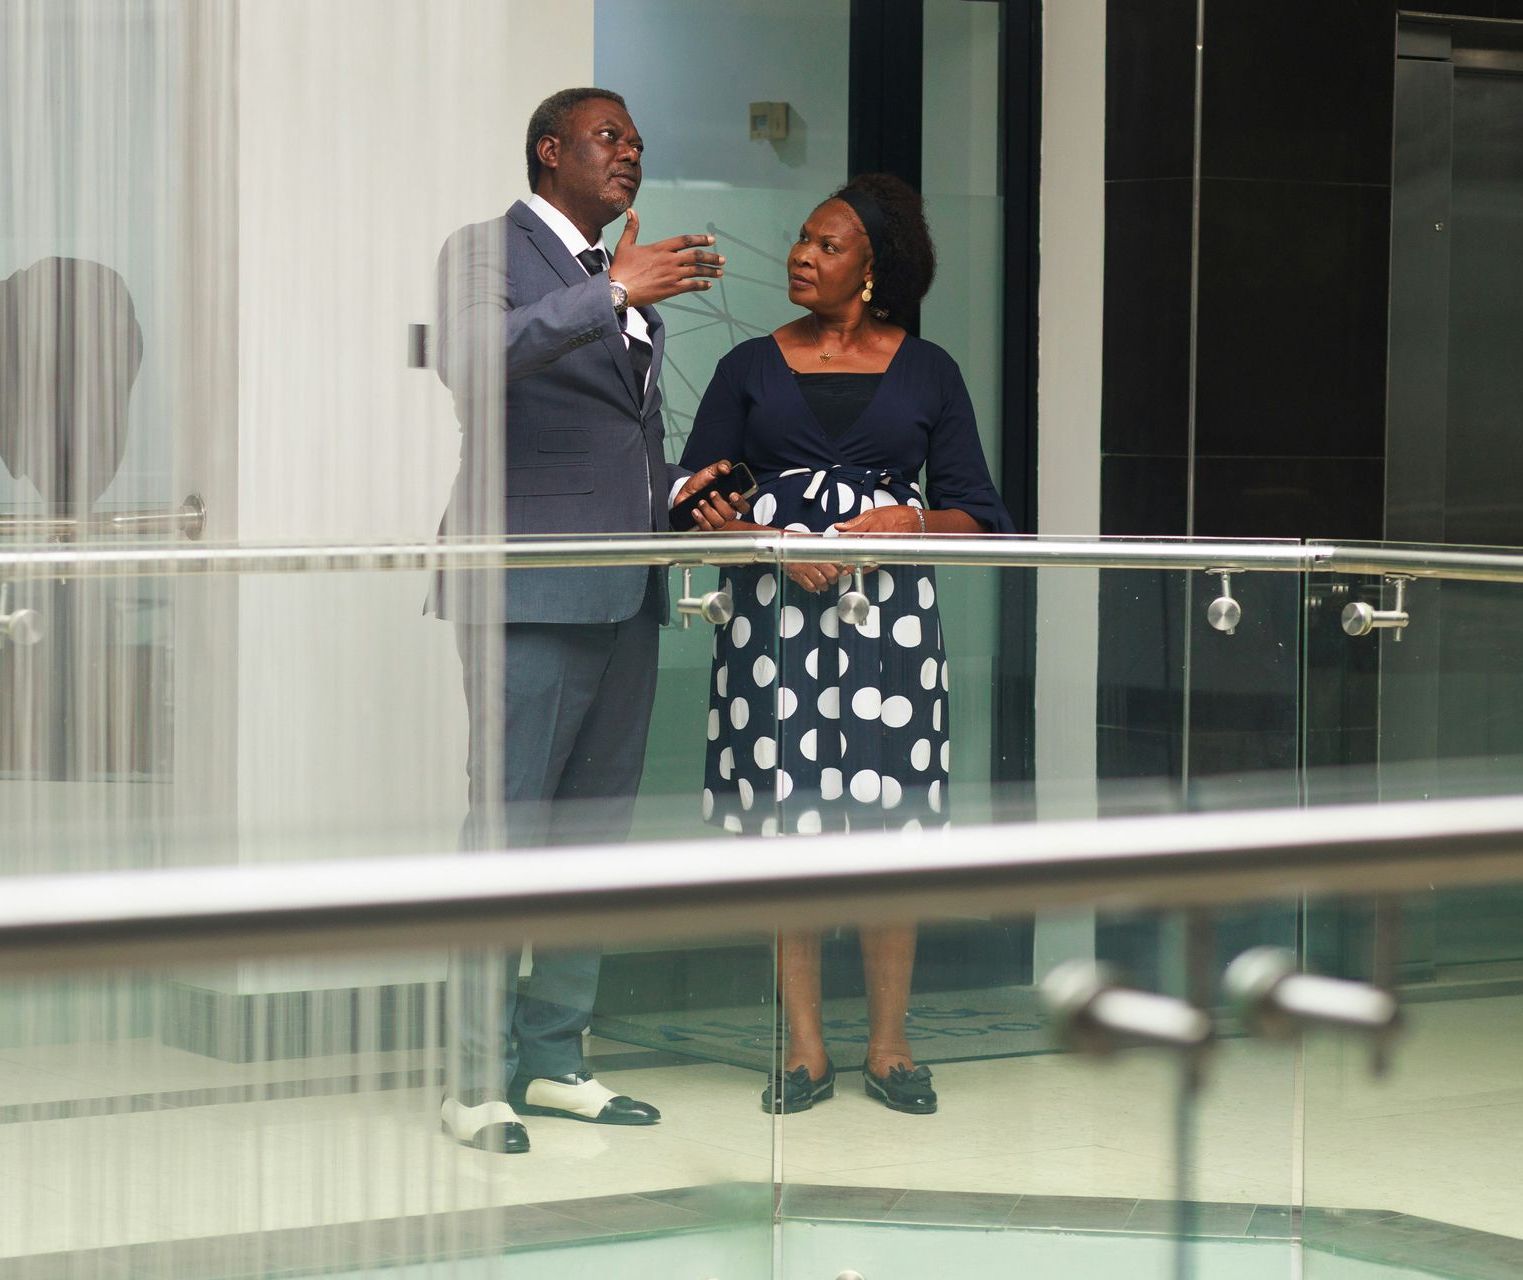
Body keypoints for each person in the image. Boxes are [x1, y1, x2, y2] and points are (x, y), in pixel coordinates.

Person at [429, 87, 745, 1155]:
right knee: (507, 829)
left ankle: (556, 1053)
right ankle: (472, 1076)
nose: (631, 154)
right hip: (524, 583)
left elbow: (601, 444)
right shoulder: (486, 248)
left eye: (638, 142)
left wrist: (675, 489)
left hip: (624, 584)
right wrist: (612, 288)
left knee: (590, 838)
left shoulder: (623, 284)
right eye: (610, 138)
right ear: (547, 149)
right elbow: (469, 360)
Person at [679, 173, 1013, 1117]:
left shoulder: (927, 370)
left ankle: (891, 1048)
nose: (800, 255)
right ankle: (806, 1051)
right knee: (789, 832)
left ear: (872, 271)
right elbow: (693, 491)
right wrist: (763, 541)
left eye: (826, 246)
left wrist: (909, 523)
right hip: (770, 624)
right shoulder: (748, 364)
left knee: (890, 830)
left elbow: (980, 518)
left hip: (889, 632)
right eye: (800, 239)